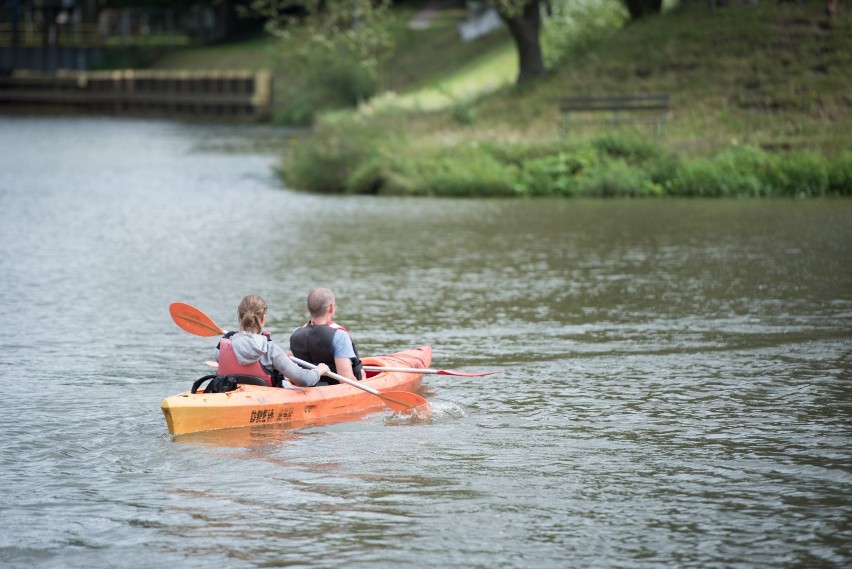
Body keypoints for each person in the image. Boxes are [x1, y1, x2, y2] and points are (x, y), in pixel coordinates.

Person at [214, 295, 329, 387]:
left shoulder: (222, 347)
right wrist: (319, 370)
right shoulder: (270, 349)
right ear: (264, 318)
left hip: (231, 394)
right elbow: (305, 380)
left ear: (239, 315)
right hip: (264, 400)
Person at [289, 288, 365, 382]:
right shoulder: (339, 336)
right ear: (331, 308)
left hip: (306, 388)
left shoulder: (296, 333)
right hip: (333, 390)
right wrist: (363, 380)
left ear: (309, 308)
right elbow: (346, 380)